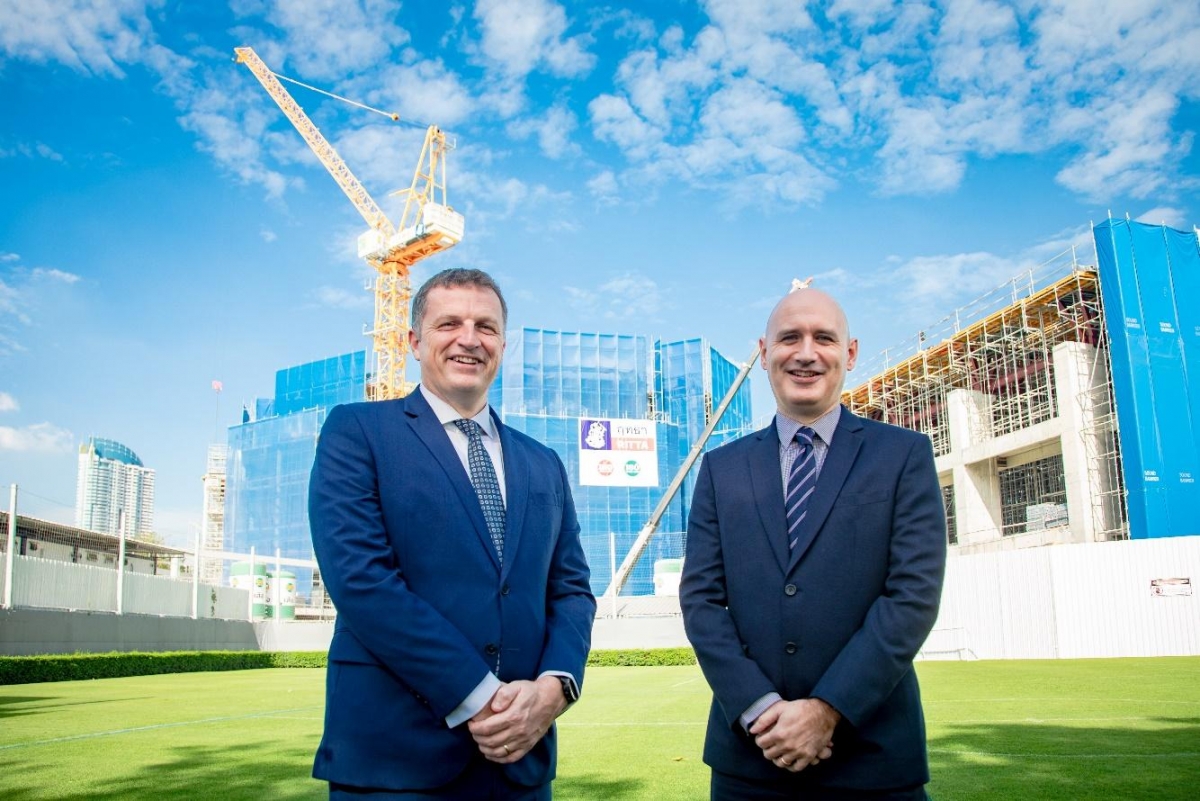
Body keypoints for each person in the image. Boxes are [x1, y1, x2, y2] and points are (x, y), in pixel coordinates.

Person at [308, 268, 596, 799]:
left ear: (502, 346)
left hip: (520, 762)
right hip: (393, 762)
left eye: (485, 327)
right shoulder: (358, 432)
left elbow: (572, 590)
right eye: (449, 324)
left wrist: (555, 688)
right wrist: (483, 697)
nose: (469, 339)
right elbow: (361, 581)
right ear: (414, 342)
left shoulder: (544, 463)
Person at [680, 285, 947, 800]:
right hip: (749, 763)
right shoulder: (721, 469)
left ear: (849, 353)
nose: (805, 352)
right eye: (789, 338)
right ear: (763, 353)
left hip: (873, 761)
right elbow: (702, 601)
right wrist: (761, 710)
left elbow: (912, 596)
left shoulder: (903, 456)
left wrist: (828, 710)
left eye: (823, 337)